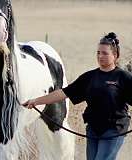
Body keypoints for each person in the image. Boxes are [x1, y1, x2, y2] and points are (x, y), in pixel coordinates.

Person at [22, 32, 132, 160]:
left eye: (105, 53)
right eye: (98, 53)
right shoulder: (89, 77)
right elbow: (62, 93)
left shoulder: (123, 77)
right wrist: (36, 101)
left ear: (115, 55)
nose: (100, 56)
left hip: (114, 130)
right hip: (93, 130)